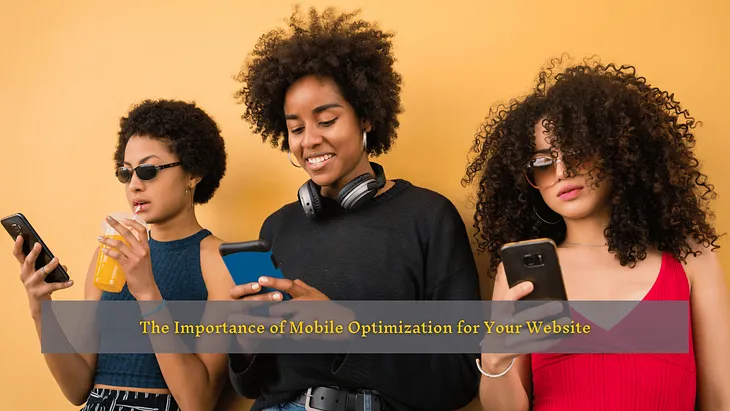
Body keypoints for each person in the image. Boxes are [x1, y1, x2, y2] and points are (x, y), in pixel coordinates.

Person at [227, 6, 482, 411]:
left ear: (365, 117)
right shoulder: (278, 226)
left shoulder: (428, 217)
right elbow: (254, 386)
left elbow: (460, 377)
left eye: (326, 120)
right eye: (295, 128)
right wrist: (243, 343)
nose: (308, 140)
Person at [462, 57, 730, 410]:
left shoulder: (690, 260)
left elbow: (720, 400)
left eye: (576, 150)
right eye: (543, 161)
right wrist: (496, 359)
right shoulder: (521, 273)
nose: (561, 171)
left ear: (619, 150)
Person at [12, 99, 234, 410]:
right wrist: (40, 307)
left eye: (148, 170)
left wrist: (146, 292)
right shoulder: (110, 254)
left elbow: (197, 402)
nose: (134, 185)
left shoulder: (219, 262)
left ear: (193, 173)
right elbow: (77, 389)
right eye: (126, 173)